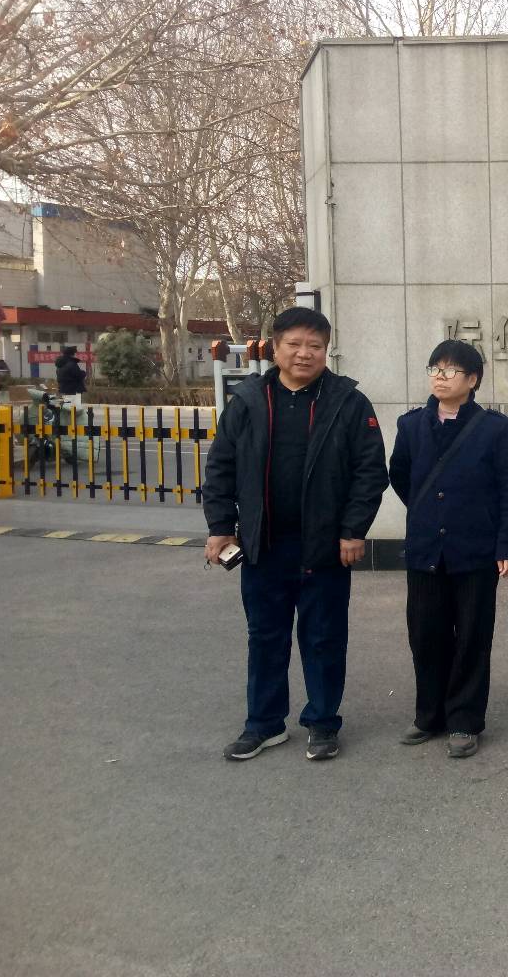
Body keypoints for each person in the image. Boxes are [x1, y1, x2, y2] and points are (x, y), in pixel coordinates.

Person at [202, 307, 388, 762]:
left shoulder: (347, 402)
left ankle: (322, 723)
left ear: (327, 350)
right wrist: (220, 527)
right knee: (265, 636)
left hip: (324, 547)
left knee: (324, 638)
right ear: (275, 347)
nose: (305, 353)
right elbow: (221, 466)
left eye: (315, 346)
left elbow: (369, 473)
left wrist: (353, 531)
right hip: (263, 544)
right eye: (295, 344)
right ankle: (264, 724)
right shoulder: (249, 401)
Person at [389, 340, 508, 759]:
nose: (440, 377)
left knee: (472, 636)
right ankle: (428, 715)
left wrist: (505, 544)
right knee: (425, 634)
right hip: (425, 548)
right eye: (435, 369)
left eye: (450, 371)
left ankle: (464, 719)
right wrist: (429, 513)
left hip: (476, 550)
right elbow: (400, 476)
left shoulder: (494, 429)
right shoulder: (411, 425)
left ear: (472, 379)